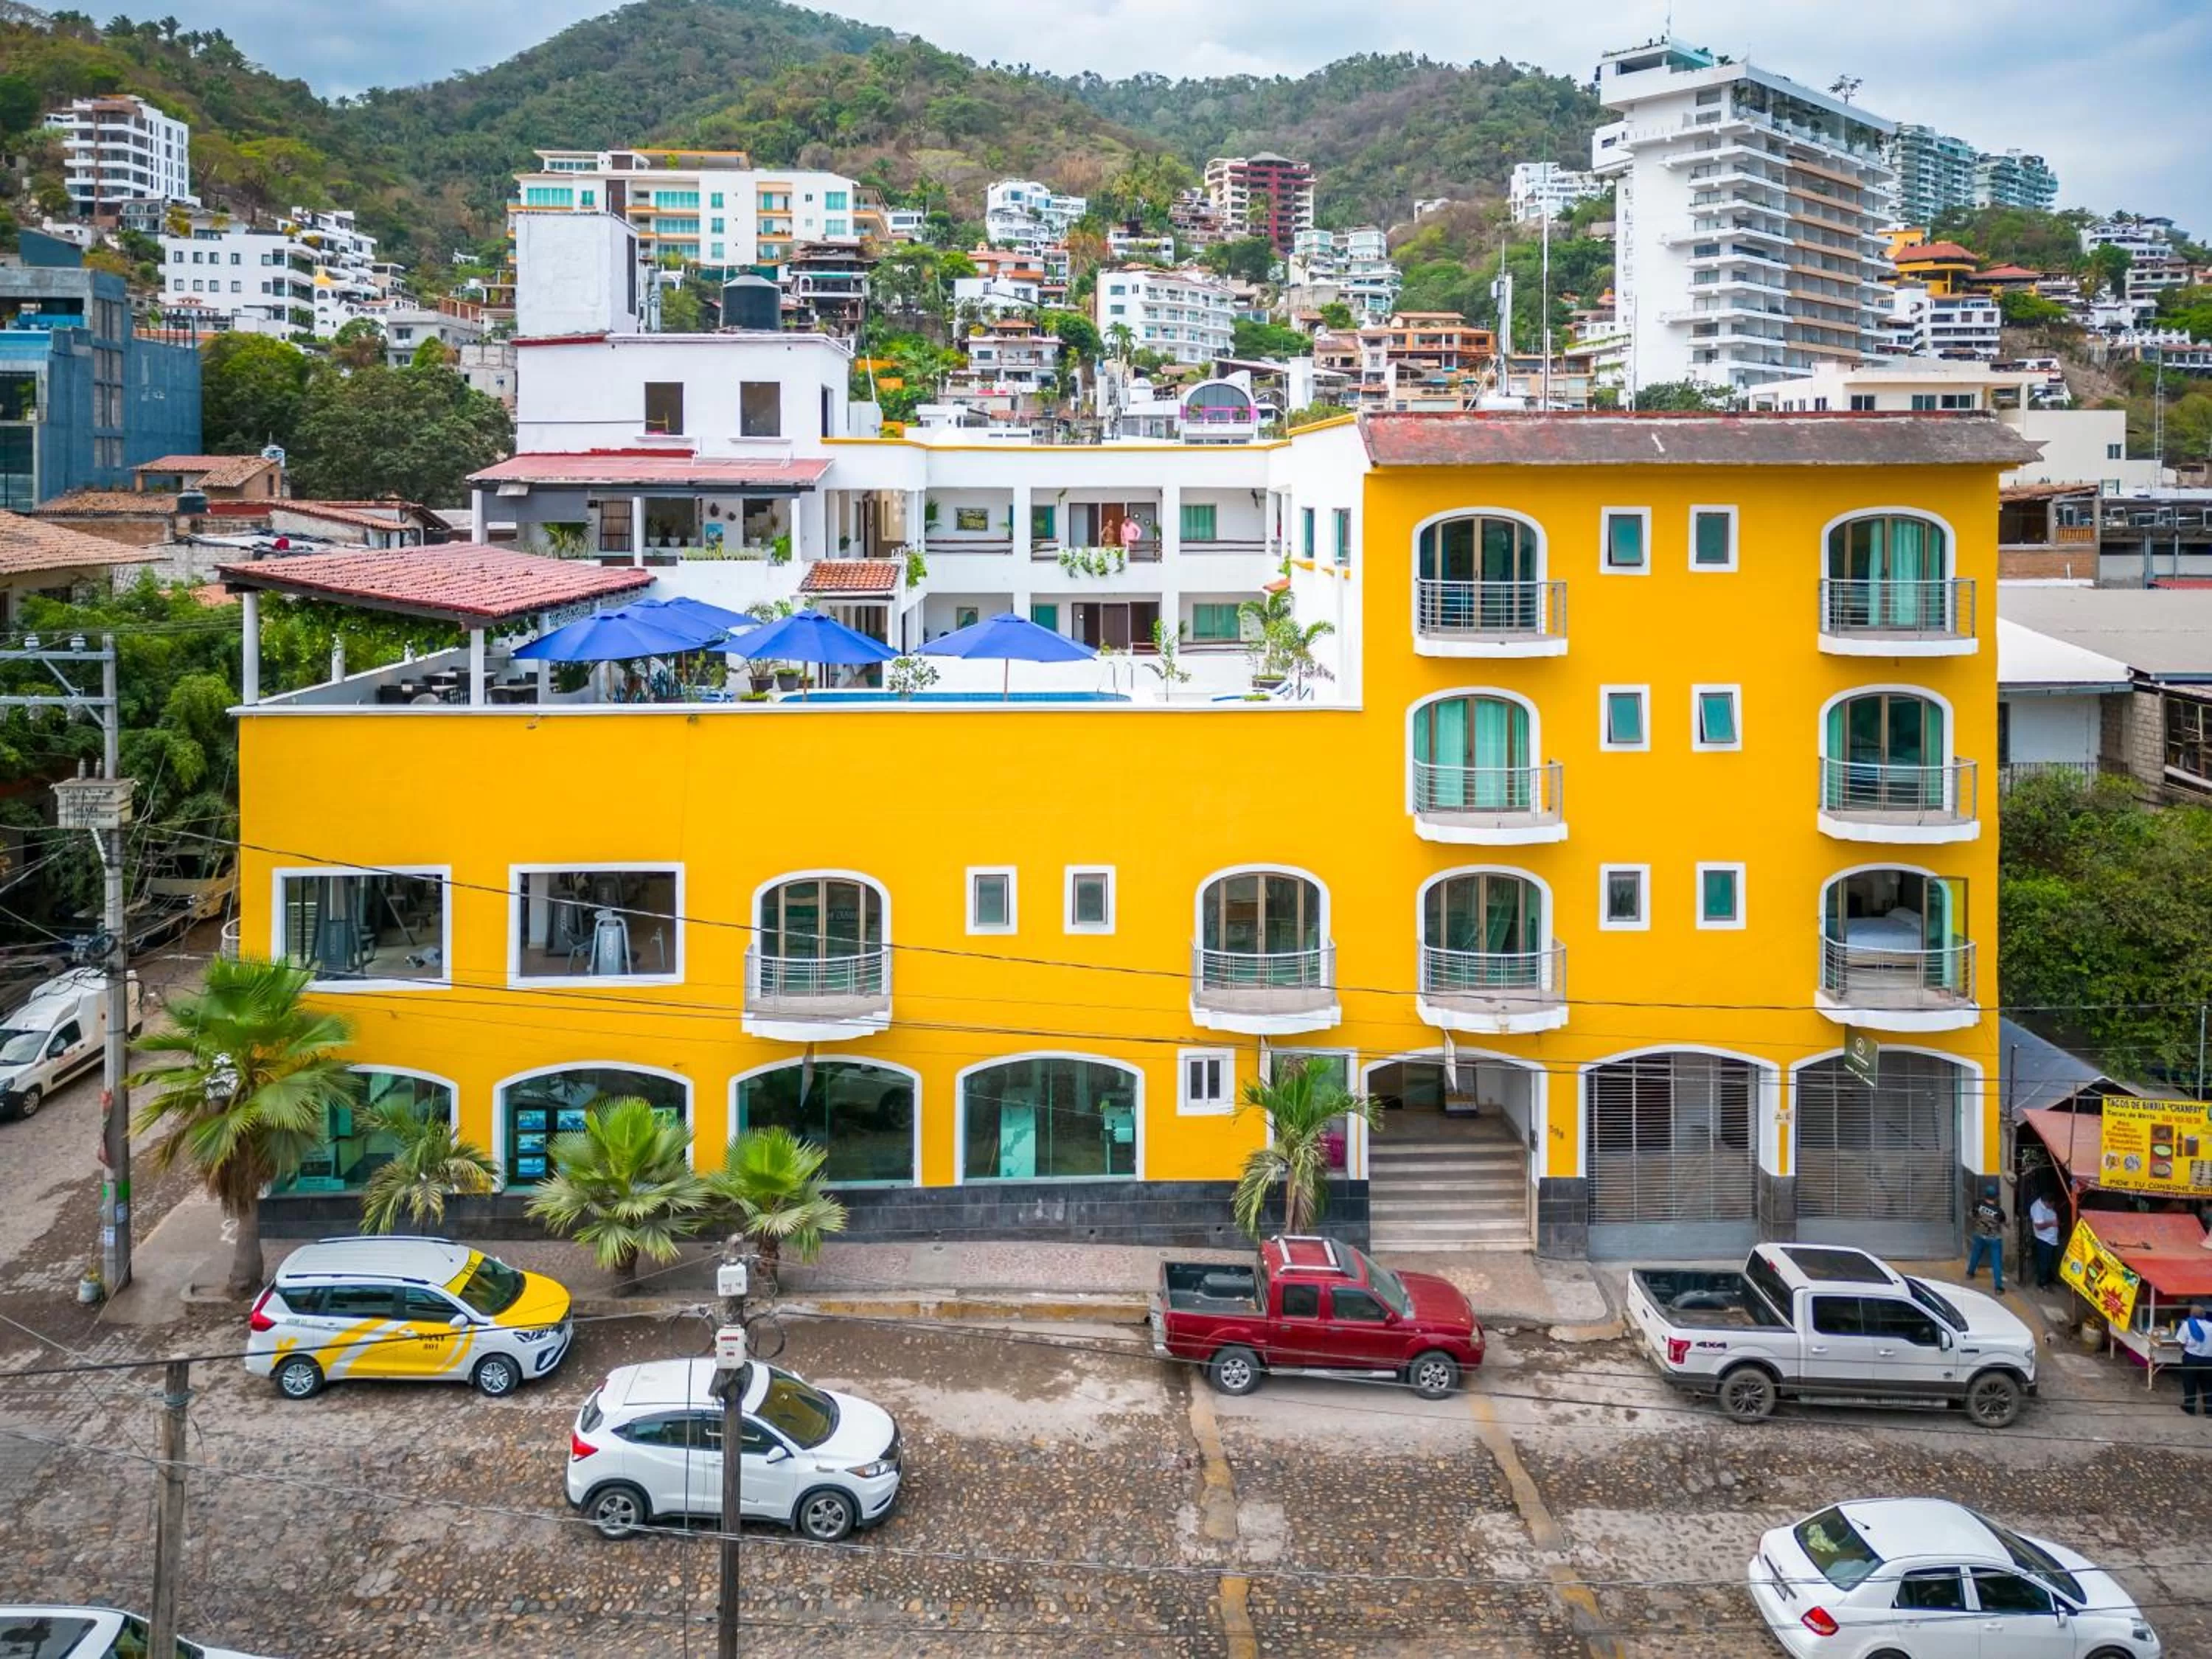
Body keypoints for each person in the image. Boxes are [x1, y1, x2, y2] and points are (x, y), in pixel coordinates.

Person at [1966, 1183, 2006, 1294]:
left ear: (1985, 1195)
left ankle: (1970, 1273)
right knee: (1996, 1262)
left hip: (1979, 1234)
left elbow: (1971, 1215)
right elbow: (2003, 1222)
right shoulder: (1999, 1211)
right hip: (1993, 1238)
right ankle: (1998, 1287)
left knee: (1975, 1254)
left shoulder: (1978, 1204)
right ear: (1996, 1197)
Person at [2180, 1304, 2212, 1414]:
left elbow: (2182, 1343)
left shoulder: (2187, 1325)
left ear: (2191, 1314)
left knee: (2190, 1383)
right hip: (2209, 1360)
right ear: (2204, 1315)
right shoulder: (2211, 1326)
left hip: (2191, 1359)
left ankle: (2190, 1407)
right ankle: (2209, 1409)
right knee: (2208, 1385)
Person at [2028, 1192, 2062, 1290]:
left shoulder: (2046, 1205)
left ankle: (2049, 1278)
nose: (2053, 1206)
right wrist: (2052, 1223)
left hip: (2052, 1239)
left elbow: (2052, 1214)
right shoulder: (2037, 1209)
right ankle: (2042, 1283)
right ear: (2047, 1202)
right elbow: (2038, 1226)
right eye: (2052, 1205)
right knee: (2044, 1262)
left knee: (2051, 1261)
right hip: (2044, 1240)